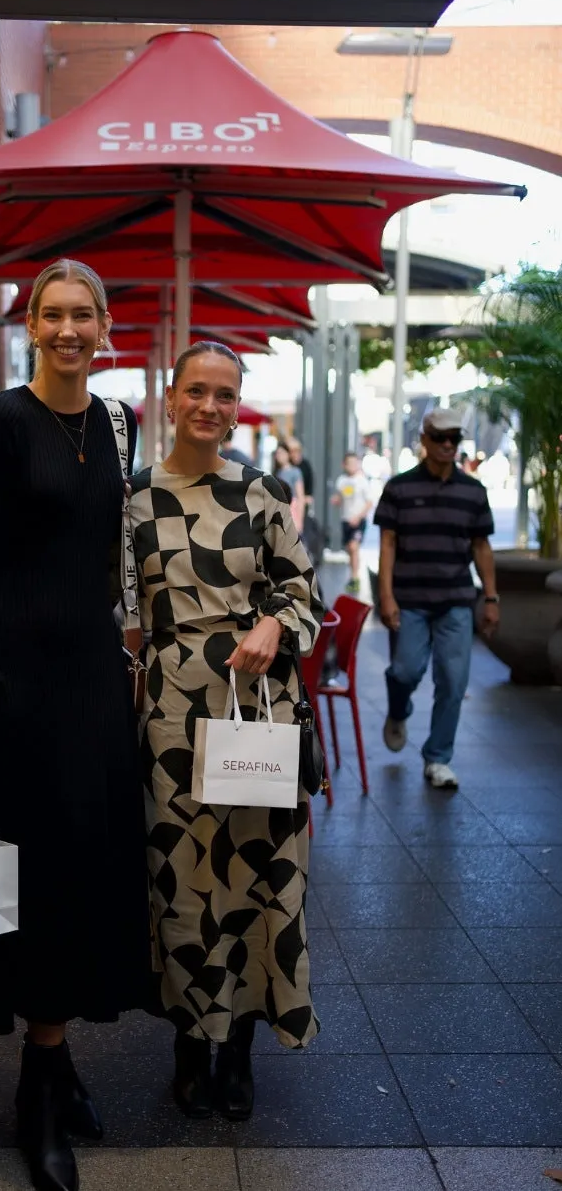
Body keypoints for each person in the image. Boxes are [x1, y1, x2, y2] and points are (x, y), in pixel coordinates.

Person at [0, 258, 151, 1191]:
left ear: (105, 325)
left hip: (93, 683)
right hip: (17, 688)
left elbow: (116, 556)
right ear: (29, 324)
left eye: (83, 314)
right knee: (29, 877)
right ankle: (39, 1082)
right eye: (52, 314)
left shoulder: (119, 420)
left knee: (83, 868)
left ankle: (55, 1063)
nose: (68, 329)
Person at [129, 341, 324, 1123]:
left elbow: (304, 590)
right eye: (196, 392)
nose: (210, 407)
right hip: (172, 717)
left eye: (225, 395)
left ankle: (239, 1045)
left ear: (237, 405)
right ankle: (188, 1043)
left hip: (259, 711)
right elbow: (115, 607)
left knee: (253, 877)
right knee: (179, 883)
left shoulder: (262, 491)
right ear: (169, 399)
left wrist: (277, 624)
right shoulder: (134, 498)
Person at [375, 407, 500, 791]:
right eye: (440, 438)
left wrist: (491, 597)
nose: (448, 445)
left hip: (456, 600)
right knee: (406, 671)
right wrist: (386, 596)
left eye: (454, 439)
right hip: (410, 598)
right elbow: (387, 544)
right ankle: (399, 711)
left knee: (453, 680)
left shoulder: (473, 491)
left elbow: (482, 547)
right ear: (425, 440)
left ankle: (438, 758)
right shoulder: (398, 487)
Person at [331, 451, 373, 594]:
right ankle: (353, 574)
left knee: (354, 547)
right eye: (350, 463)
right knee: (350, 549)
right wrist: (337, 500)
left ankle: (355, 578)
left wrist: (359, 517)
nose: (353, 466)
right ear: (344, 464)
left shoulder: (362, 481)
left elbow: (369, 502)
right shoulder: (341, 480)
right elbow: (340, 497)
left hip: (358, 521)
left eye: (355, 463)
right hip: (346, 520)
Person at [273, 440, 306, 535]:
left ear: (288, 454)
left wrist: (300, 520)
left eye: (281, 453)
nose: (279, 456)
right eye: (277, 453)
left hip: (292, 509)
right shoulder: (277, 472)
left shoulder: (295, 472)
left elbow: (300, 496)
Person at [287, 437, 314, 515]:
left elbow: (310, 481)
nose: (294, 454)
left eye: (297, 451)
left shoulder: (305, 465)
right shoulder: (287, 466)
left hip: (302, 501)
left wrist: (308, 496)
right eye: (291, 451)